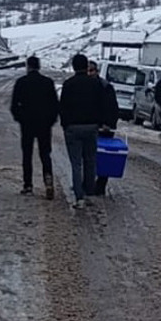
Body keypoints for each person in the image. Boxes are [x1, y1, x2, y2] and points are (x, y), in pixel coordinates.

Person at [10, 55, 59, 199]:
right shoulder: (48, 82)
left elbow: (14, 106)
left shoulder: (21, 82)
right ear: (39, 66)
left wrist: (20, 118)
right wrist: (50, 121)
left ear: (28, 66)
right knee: (45, 154)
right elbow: (55, 105)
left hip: (27, 124)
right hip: (44, 124)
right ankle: (48, 181)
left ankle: (28, 185)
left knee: (27, 154)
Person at [58, 53, 103, 209]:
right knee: (90, 161)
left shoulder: (68, 84)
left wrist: (65, 124)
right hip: (91, 127)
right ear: (86, 67)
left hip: (73, 127)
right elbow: (100, 105)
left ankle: (79, 197)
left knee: (76, 164)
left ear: (73, 67)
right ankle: (89, 193)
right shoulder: (95, 84)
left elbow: (62, 107)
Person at [87, 60, 120, 197]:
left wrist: (109, 124)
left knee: (104, 156)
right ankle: (87, 184)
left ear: (97, 71)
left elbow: (113, 108)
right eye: (88, 71)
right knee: (88, 156)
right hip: (89, 125)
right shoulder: (84, 86)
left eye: (92, 70)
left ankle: (100, 185)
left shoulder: (106, 87)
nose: (90, 73)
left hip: (104, 127)